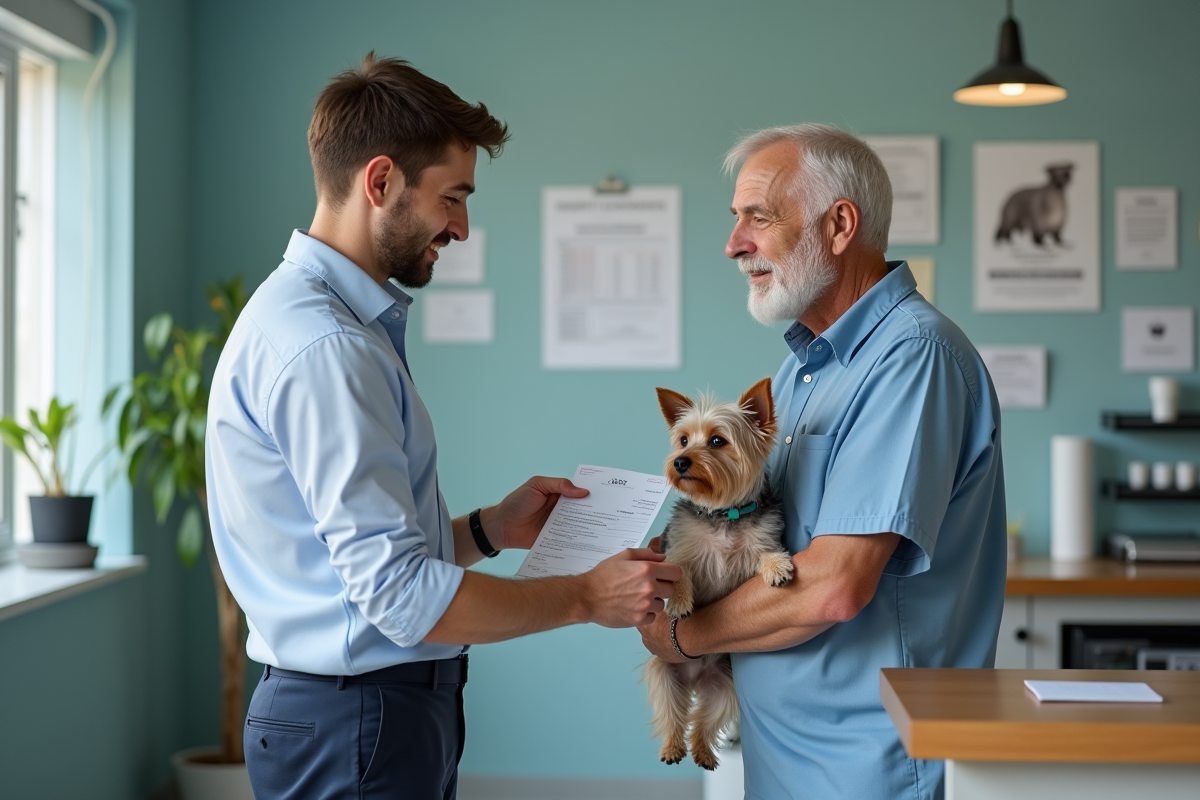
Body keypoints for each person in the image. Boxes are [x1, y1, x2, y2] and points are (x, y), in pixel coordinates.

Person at [205, 53, 680, 800]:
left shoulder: (318, 322)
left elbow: (346, 565)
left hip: (361, 717)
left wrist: (490, 528)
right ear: (381, 181)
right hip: (358, 723)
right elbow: (396, 595)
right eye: (453, 197)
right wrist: (587, 596)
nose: (460, 226)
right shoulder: (328, 347)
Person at [639, 123, 1007, 800]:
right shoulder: (803, 369)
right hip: (787, 755)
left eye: (759, 217)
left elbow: (835, 586)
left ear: (839, 225)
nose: (734, 243)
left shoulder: (912, 358)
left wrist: (682, 638)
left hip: (867, 762)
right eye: (735, 220)